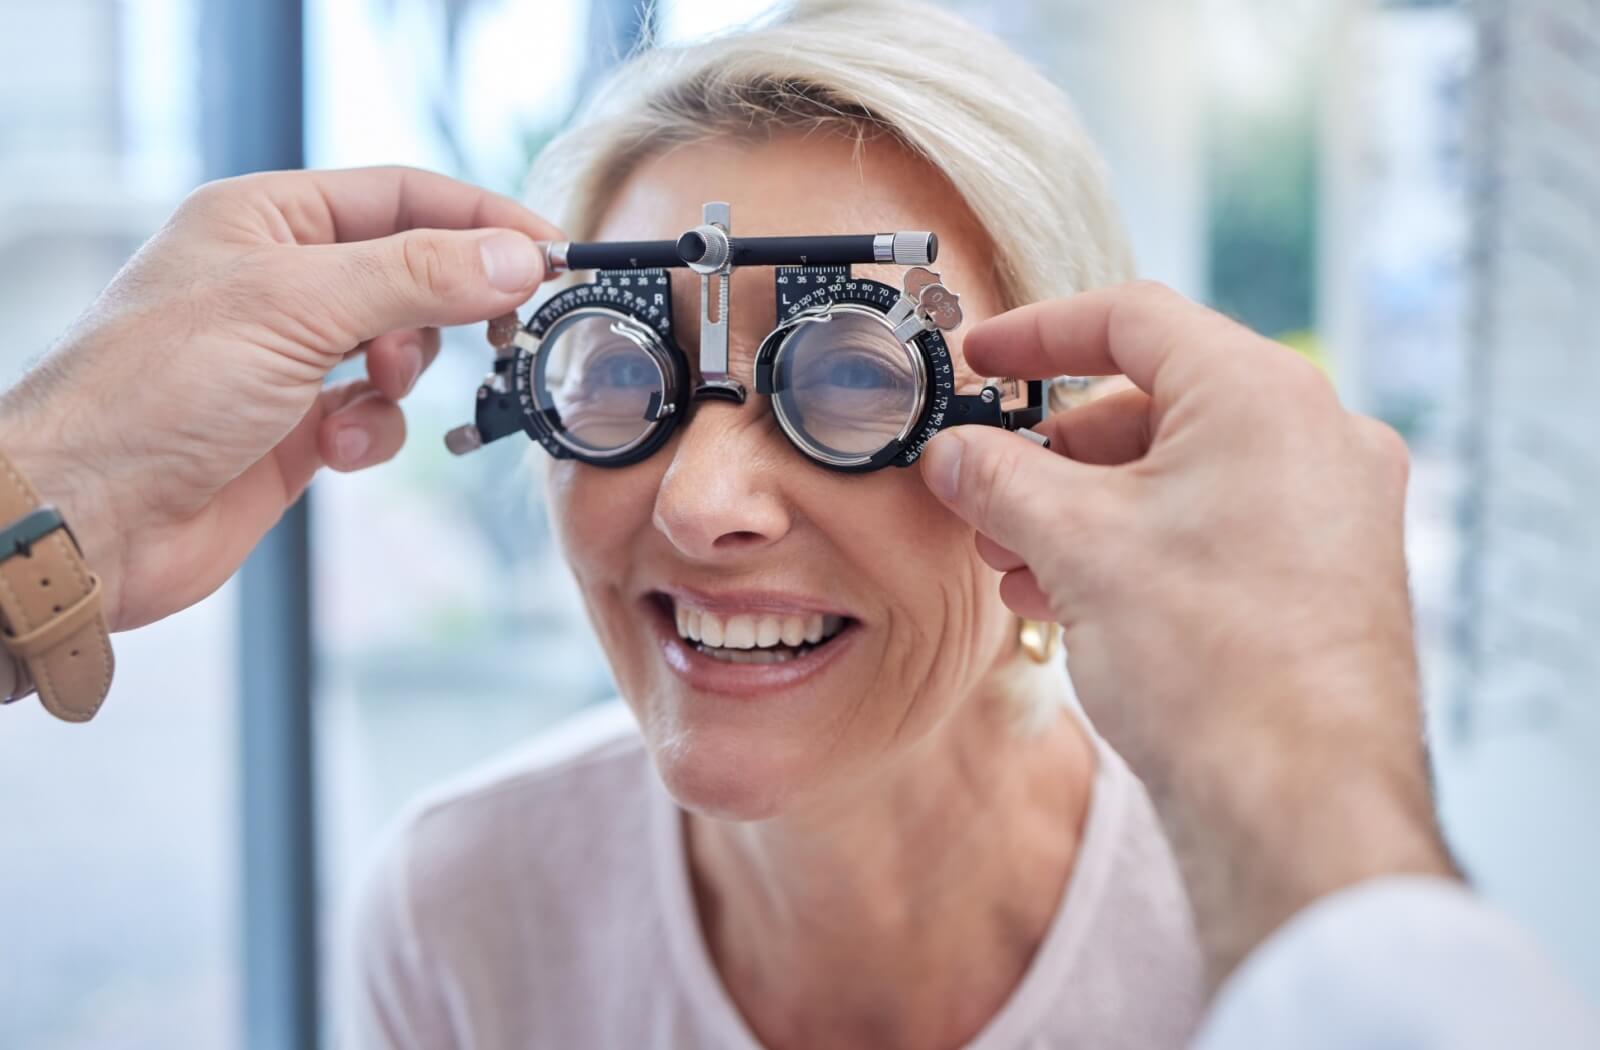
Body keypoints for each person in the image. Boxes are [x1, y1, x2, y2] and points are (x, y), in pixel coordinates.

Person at [2, 13, 1595, 1050]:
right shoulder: (461, 913)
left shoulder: (1273, 953)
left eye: (849, 372)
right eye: (617, 370)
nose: (699, 501)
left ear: (1067, 426)